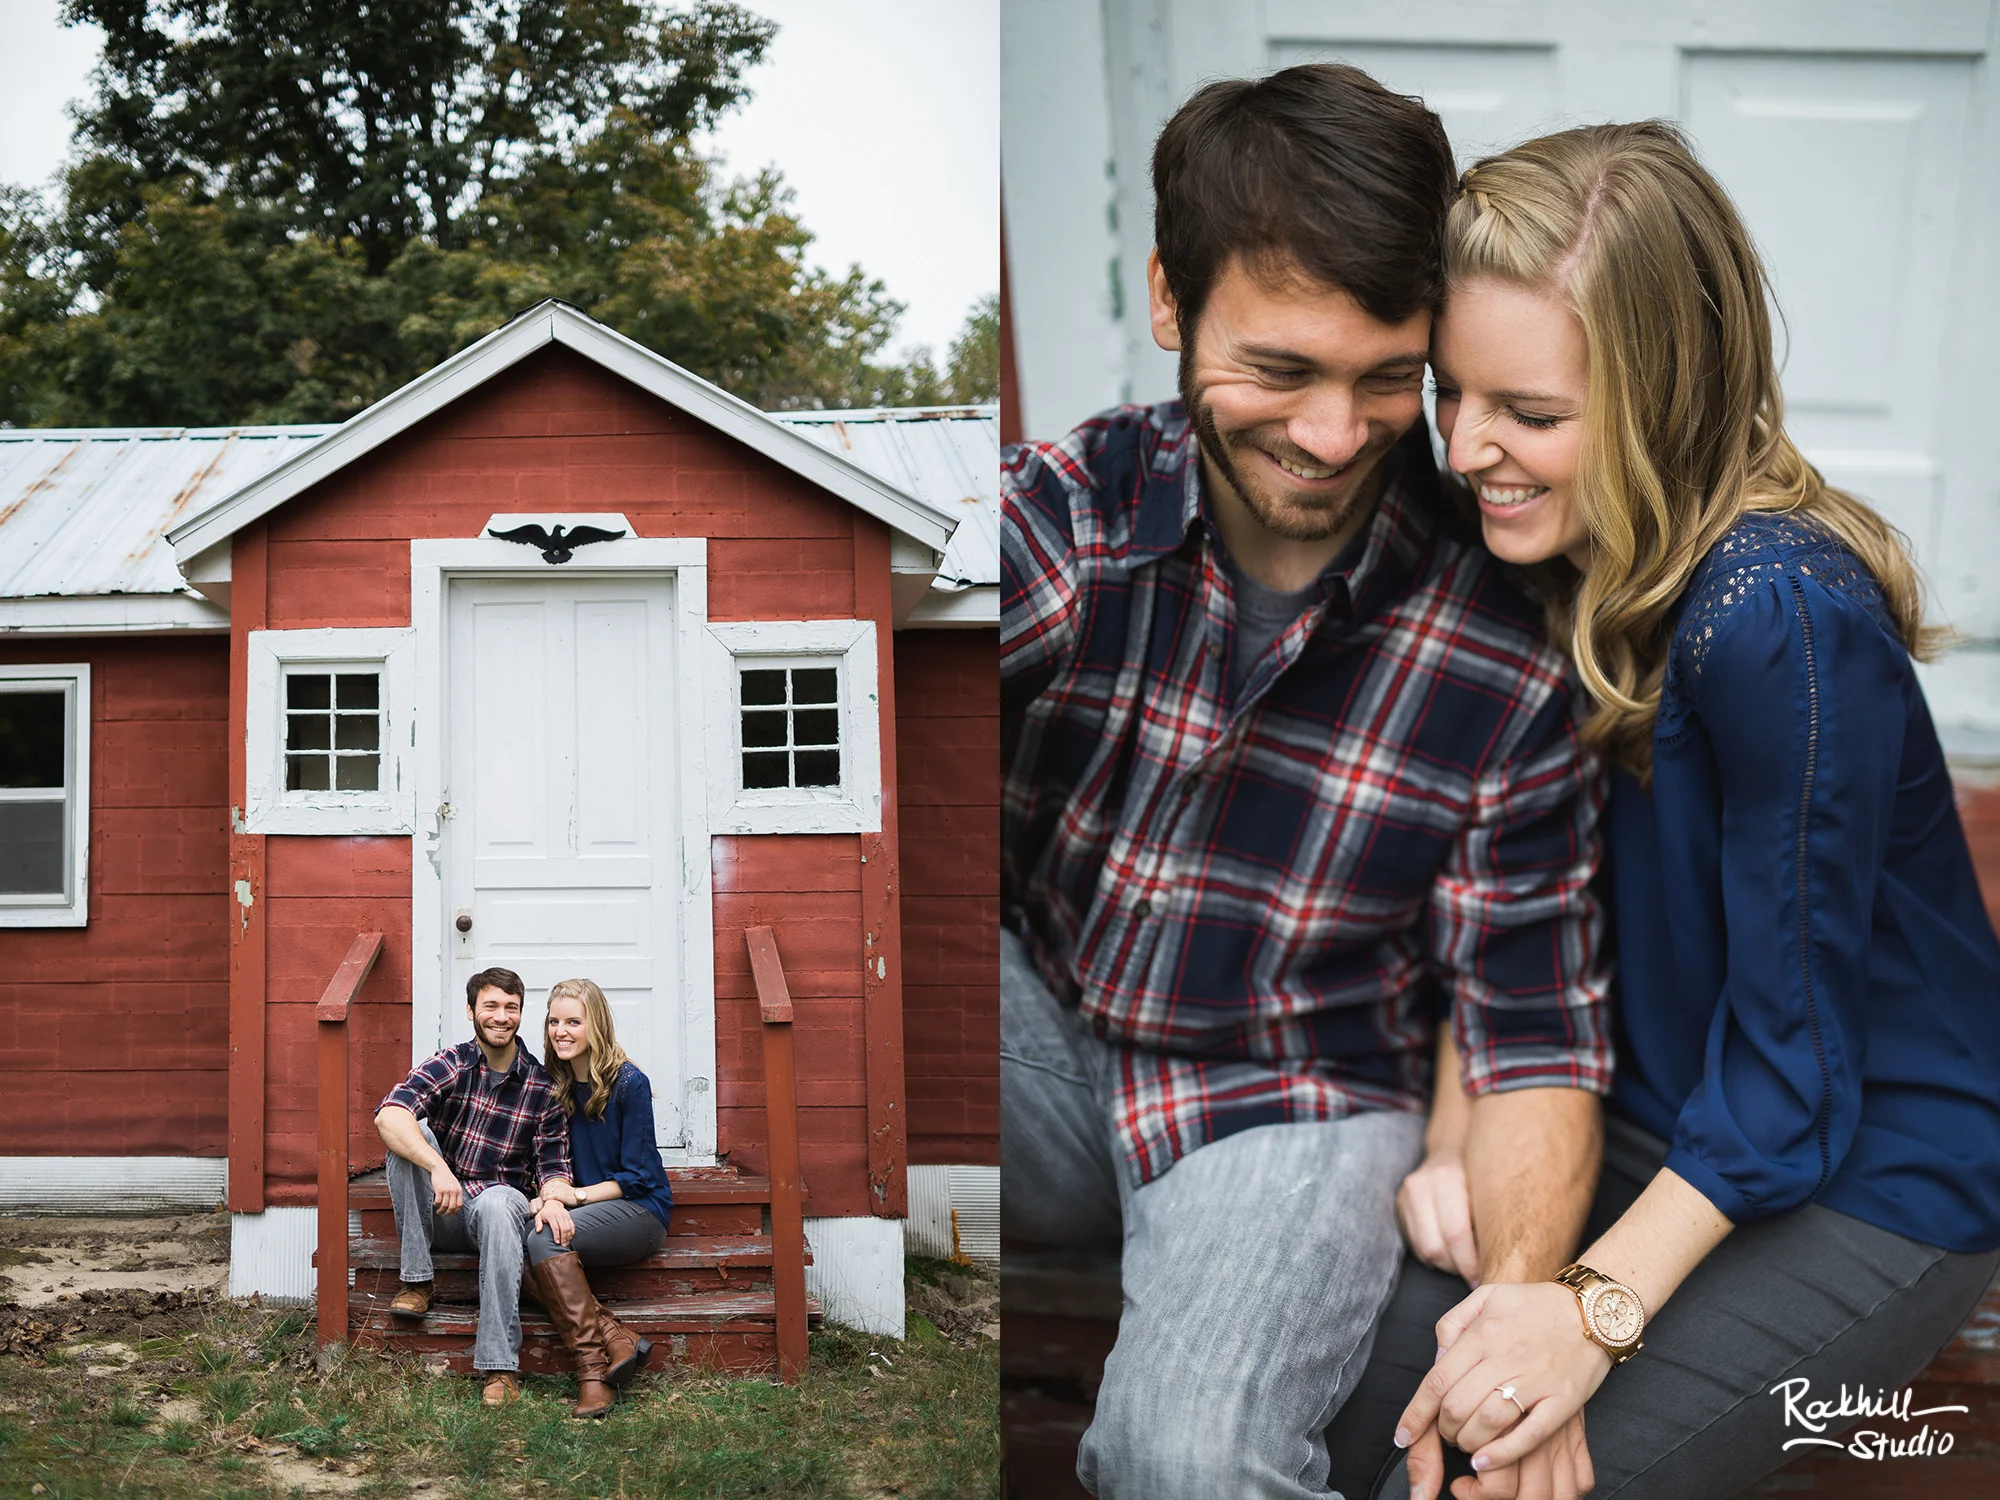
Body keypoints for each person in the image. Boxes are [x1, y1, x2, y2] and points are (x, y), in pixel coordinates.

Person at [1339, 120, 2000, 1500]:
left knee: (1491, 1471)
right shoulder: (1537, 539)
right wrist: (1463, 1131)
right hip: (1648, 1098)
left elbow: (1795, 1070)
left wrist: (1587, 1315)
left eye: (1528, 413)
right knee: (1368, 1411)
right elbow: (1496, 870)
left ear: (1664, 400)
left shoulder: (1777, 615)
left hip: (1871, 1162)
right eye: (1450, 391)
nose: (1466, 447)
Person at [1000, 62, 1617, 1499]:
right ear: (1170, 302)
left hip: (1296, 1093)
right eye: (1279, 370)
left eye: (1385, 377)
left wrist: (1520, 1321)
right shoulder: (1068, 519)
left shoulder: (1503, 642)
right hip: (1039, 1032)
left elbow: (1535, 1033)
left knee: (1189, 1457)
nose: (1335, 438)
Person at [375, 966, 574, 1408]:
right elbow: (389, 1115)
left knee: (504, 1200)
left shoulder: (543, 1088)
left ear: (521, 1015)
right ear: (471, 1012)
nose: (501, 1016)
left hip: (494, 1215)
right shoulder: (451, 1063)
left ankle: (500, 1368)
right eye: (491, 1006)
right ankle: (417, 1281)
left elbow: (554, 1165)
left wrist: (557, 1197)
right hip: (440, 1207)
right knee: (412, 1139)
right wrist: (438, 1167)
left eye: (511, 1008)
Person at [524, 977, 673, 1418]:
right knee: (510, 1237)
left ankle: (590, 1372)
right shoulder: (551, 1083)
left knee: (542, 1241)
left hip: (639, 1211)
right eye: (554, 1021)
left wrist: (573, 1198)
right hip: (577, 1204)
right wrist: (551, 1195)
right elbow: (543, 1156)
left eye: (573, 1021)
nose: (561, 1031)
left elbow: (639, 1176)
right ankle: (614, 1337)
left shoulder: (629, 1083)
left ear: (597, 1025)